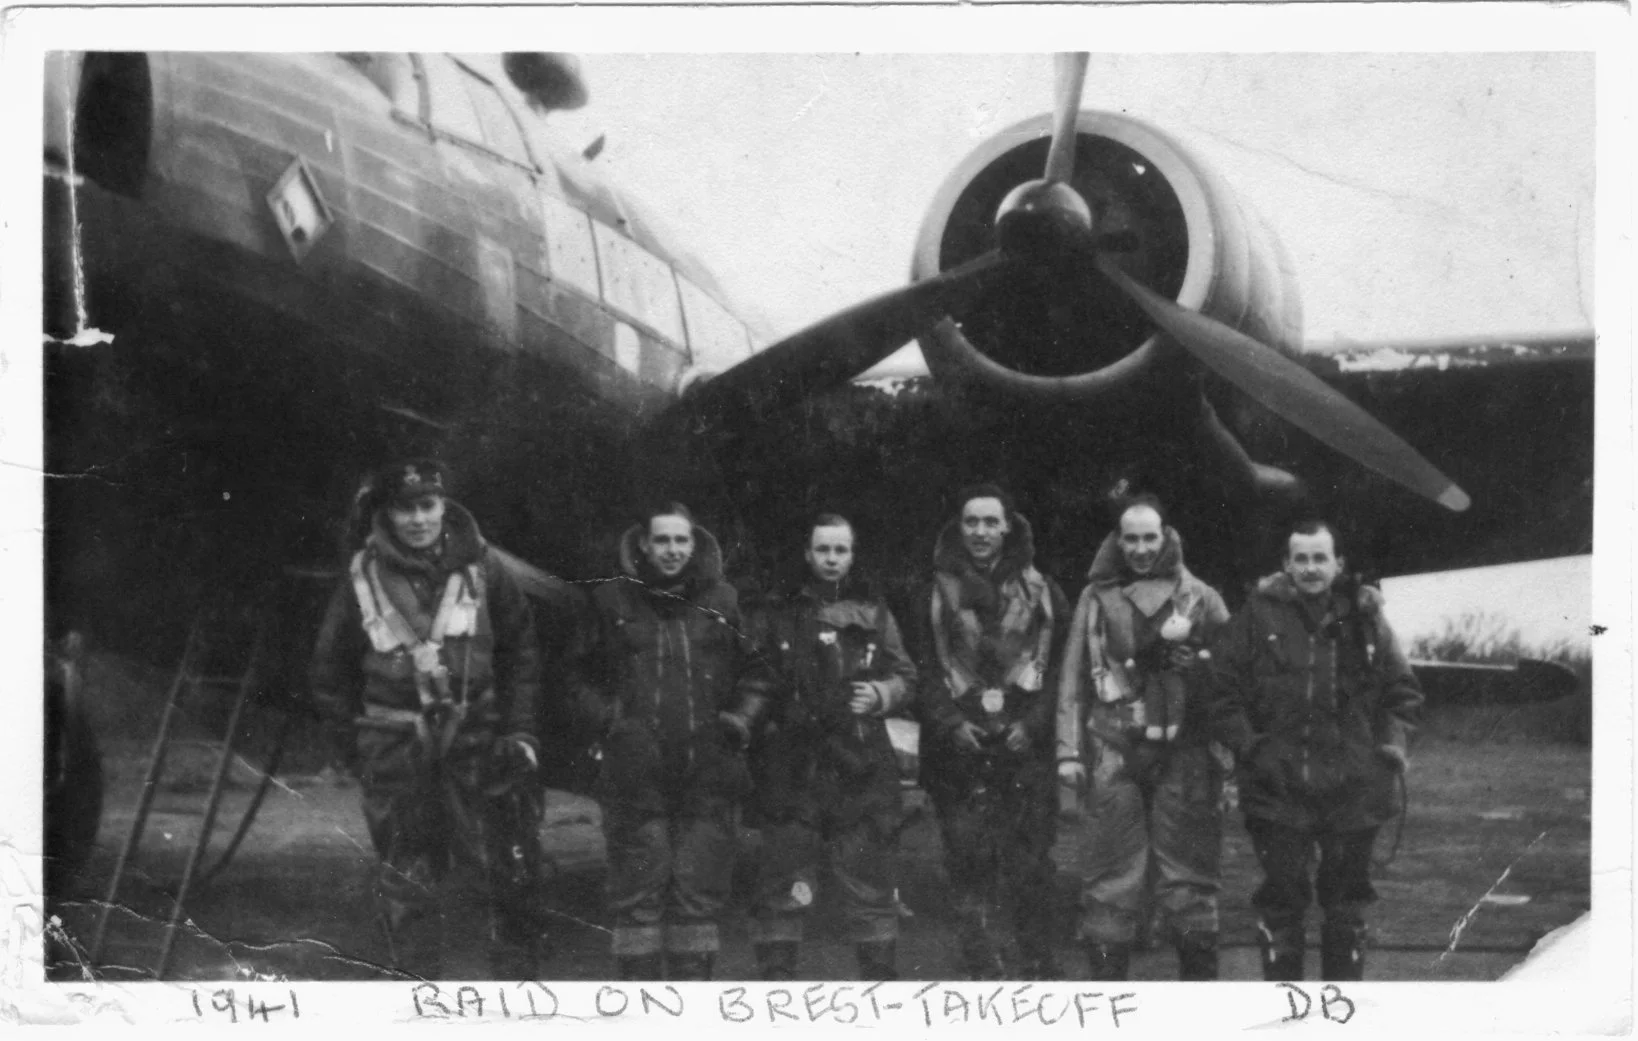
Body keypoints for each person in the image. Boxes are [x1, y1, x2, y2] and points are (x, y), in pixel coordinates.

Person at [310, 459, 545, 978]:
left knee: (503, 867)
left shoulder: (485, 570)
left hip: (478, 742)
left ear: (444, 507)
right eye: (404, 508)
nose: (417, 519)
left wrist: (520, 731)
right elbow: (330, 672)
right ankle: (417, 998)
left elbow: (521, 654)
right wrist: (357, 749)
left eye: (426, 506)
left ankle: (519, 1003)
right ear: (387, 514)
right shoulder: (361, 580)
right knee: (407, 877)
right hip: (396, 749)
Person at [1207, 519, 1422, 981]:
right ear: (1286, 564)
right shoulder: (1255, 618)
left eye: (1320, 558)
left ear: (1338, 564)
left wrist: (1390, 748)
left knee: (1346, 909)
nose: (1310, 568)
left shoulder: (1366, 620)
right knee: (1281, 906)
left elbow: (1402, 694)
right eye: (1300, 558)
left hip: (1353, 794)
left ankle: (1340, 1017)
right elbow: (1222, 694)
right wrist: (1250, 749)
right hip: (1279, 790)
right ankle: (1285, 1017)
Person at [568, 502, 774, 980]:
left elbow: (759, 673)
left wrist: (740, 720)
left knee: (696, 901)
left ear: (695, 544)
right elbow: (575, 676)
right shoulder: (611, 602)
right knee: (638, 899)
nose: (672, 551)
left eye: (682, 541)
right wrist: (611, 723)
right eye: (662, 540)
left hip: (709, 773)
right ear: (643, 544)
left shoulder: (721, 600)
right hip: (634, 775)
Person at [1055, 495, 1231, 980]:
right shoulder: (1095, 600)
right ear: (1117, 540)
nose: (1139, 548)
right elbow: (1072, 679)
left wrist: (1198, 669)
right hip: (1113, 746)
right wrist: (1068, 752)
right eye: (1129, 538)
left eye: (1149, 537)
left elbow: (1234, 680)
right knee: (1111, 880)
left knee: (1189, 881)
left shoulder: (1203, 598)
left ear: (1166, 536)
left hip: (1186, 751)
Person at [745, 513, 918, 981]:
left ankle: (879, 1002)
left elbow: (906, 676)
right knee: (785, 884)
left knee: (870, 886)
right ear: (808, 554)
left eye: (840, 550)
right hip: (796, 765)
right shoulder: (781, 611)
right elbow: (756, 678)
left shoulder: (876, 612)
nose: (831, 559)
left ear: (852, 555)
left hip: (859, 763)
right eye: (822, 550)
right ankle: (778, 1000)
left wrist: (882, 694)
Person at [920, 484, 1069, 979]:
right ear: (959, 529)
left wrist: (1033, 725)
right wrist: (950, 724)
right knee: (968, 859)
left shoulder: (1044, 592)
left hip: (1024, 745)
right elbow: (921, 668)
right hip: (958, 747)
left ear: (1008, 527)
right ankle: (982, 966)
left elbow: (1064, 671)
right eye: (971, 522)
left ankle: (1038, 963)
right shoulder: (933, 593)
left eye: (990, 522)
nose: (981, 532)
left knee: (1029, 861)